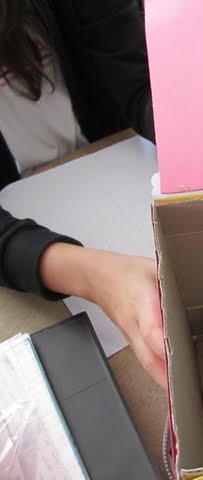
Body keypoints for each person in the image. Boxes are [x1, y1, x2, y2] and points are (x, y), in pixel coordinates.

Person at [0, 0, 166, 387]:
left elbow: (141, 84)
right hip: (24, 263)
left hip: (118, 165)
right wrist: (96, 277)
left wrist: (192, 136)